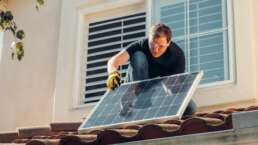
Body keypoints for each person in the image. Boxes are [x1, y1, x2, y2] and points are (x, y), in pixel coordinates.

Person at [106, 23, 197, 115]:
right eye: (152, 44)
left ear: (168, 43)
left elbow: (173, 88)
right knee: (138, 56)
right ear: (149, 39)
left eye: (161, 46)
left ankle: (147, 102)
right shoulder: (141, 45)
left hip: (157, 90)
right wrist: (112, 74)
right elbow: (113, 61)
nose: (155, 50)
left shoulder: (177, 55)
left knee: (189, 108)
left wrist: (166, 91)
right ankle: (138, 98)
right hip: (135, 87)